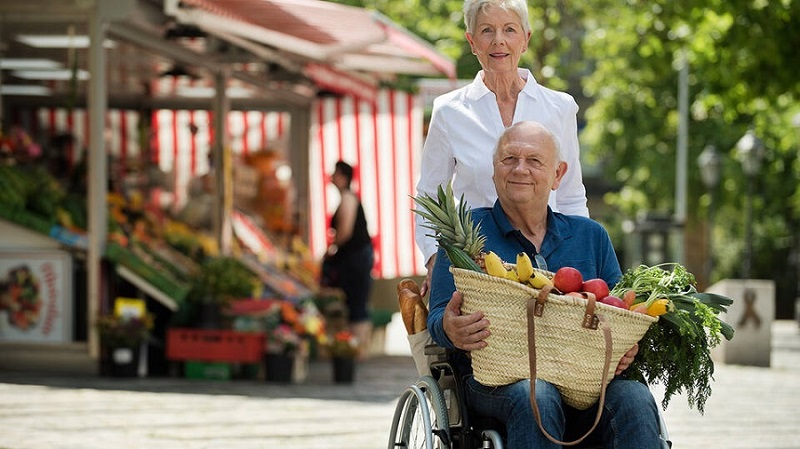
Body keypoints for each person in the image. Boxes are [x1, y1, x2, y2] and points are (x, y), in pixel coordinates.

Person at [427, 122, 663, 448]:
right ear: (494, 170)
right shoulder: (464, 233)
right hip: (499, 382)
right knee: (537, 394)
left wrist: (627, 345)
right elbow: (437, 315)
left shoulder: (591, 236)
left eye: (534, 160)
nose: (520, 169)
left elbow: (621, 311)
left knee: (634, 396)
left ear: (558, 174)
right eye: (509, 159)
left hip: (586, 380)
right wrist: (450, 327)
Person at [415, 0, 590, 296]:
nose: (498, 40)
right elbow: (430, 196)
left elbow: (571, 196)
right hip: (476, 265)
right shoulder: (449, 111)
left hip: (550, 264)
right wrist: (435, 259)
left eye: (509, 29)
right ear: (472, 42)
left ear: (526, 39)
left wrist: (580, 263)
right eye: (487, 30)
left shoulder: (560, 108)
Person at [323, 161, 375, 359]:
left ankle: (357, 349)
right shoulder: (347, 198)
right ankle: (356, 348)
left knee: (356, 301)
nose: (332, 177)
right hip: (356, 256)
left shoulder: (347, 198)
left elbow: (344, 231)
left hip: (355, 258)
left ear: (343, 177)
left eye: (335, 173)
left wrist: (332, 248)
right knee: (356, 301)